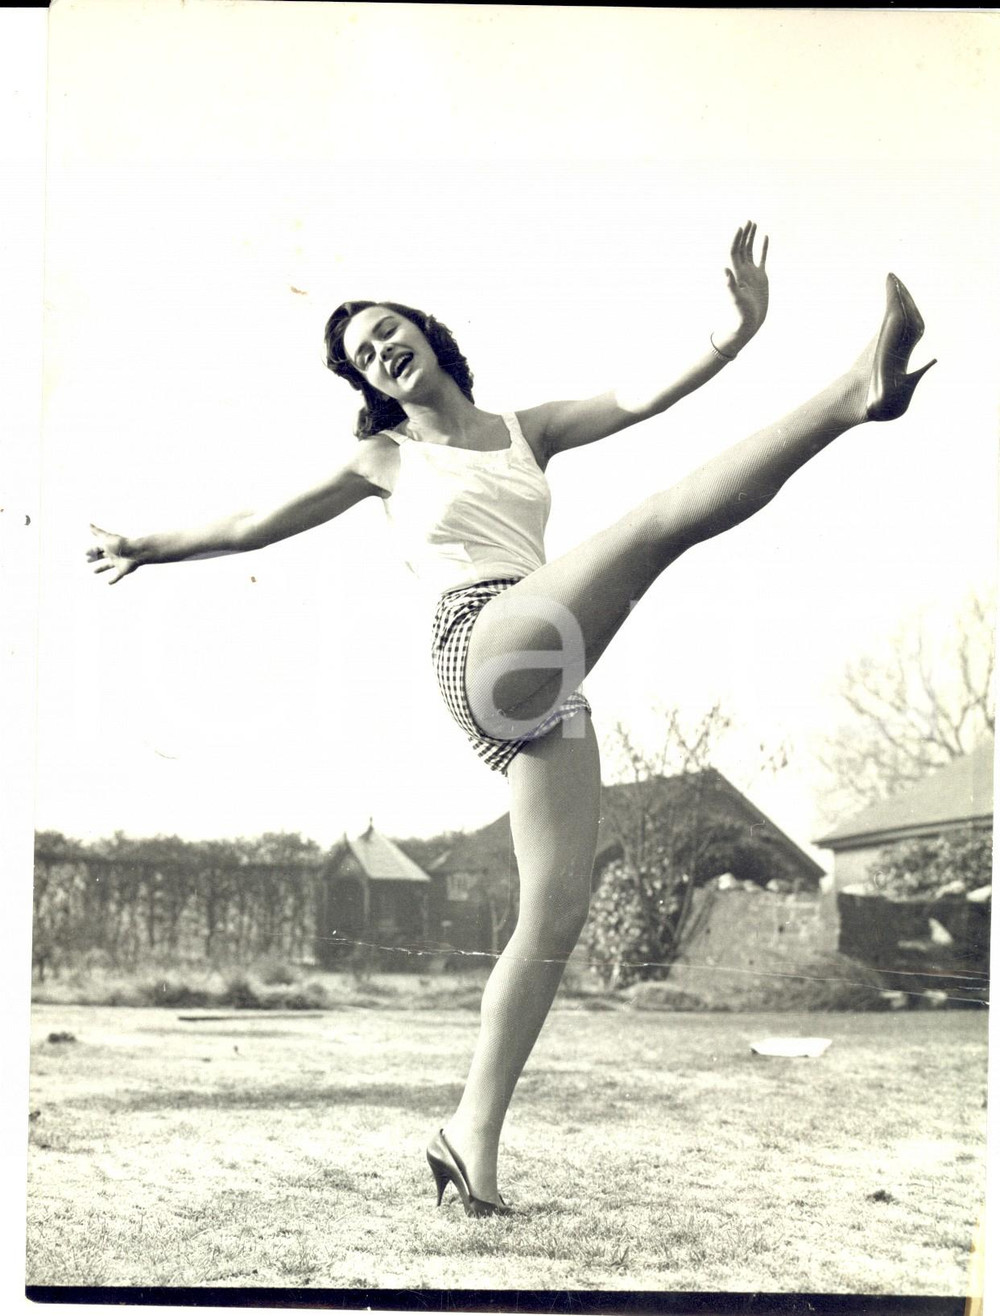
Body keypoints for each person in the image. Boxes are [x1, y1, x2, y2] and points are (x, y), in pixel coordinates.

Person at [88, 223, 935, 1218]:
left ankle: (467, 1142)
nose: (377, 351)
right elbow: (247, 524)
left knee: (554, 916)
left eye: (386, 330)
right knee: (659, 524)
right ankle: (851, 393)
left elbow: (642, 396)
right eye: (359, 354)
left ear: (426, 333)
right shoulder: (382, 457)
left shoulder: (527, 427)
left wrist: (735, 331)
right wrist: (146, 542)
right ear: (363, 381)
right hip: (478, 639)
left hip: (546, 674)